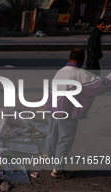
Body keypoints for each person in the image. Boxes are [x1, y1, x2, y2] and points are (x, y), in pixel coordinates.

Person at [44, 49, 111, 179]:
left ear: (69, 59)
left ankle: (49, 155)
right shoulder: (80, 74)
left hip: (53, 108)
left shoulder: (60, 71)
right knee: (65, 138)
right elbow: (102, 86)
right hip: (66, 111)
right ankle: (57, 169)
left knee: (52, 133)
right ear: (82, 60)